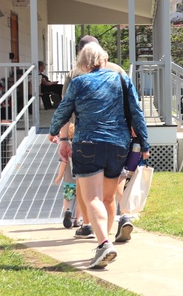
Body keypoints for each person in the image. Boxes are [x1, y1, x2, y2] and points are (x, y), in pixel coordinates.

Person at [48, 41, 150, 269]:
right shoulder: (122, 80)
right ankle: (107, 238)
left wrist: (54, 132)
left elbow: (63, 110)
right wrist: (144, 142)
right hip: (117, 146)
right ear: (104, 60)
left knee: (91, 198)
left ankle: (103, 243)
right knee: (107, 197)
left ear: (82, 64)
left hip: (87, 144)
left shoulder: (78, 82)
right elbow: (136, 111)